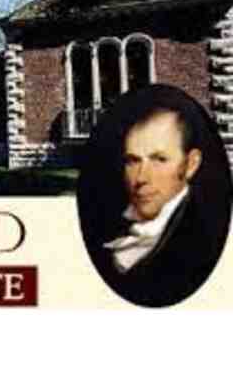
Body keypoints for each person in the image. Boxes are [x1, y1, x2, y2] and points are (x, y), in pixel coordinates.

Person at [78, 85, 231, 307]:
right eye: (132, 161)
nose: (141, 177)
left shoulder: (200, 237)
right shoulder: (111, 224)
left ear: (190, 164)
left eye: (159, 159)